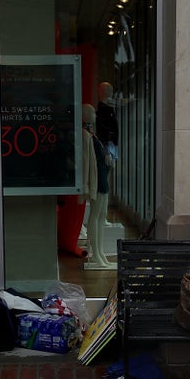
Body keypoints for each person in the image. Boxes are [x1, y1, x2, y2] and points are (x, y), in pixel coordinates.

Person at [81, 103, 112, 268]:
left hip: (102, 178)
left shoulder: (92, 135)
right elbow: (86, 162)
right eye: (92, 112)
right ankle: (95, 254)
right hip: (96, 180)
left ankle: (100, 252)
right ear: (85, 115)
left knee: (102, 214)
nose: (94, 114)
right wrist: (85, 185)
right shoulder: (85, 136)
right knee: (95, 215)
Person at [96, 81, 118, 164]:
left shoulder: (108, 108)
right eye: (110, 90)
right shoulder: (104, 109)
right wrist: (107, 151)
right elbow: (104, 130)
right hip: (107, 146)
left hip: (109, 145)